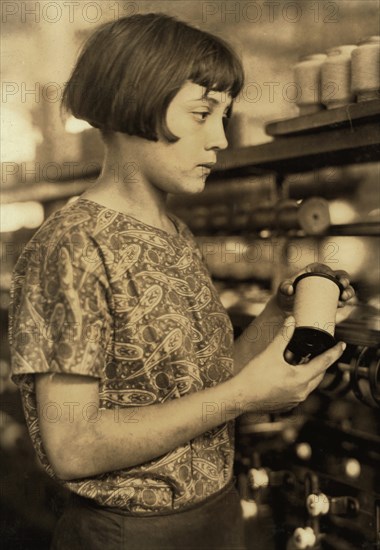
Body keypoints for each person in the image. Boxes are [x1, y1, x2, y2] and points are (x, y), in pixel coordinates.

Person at [8, 13, 355, 550]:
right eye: (201, 113)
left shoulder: (174, 233)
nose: (220, 138)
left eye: (224, 114)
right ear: (133, 107)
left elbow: (207, 389)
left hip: (215, 515)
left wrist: (282, 312)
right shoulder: (72, 247)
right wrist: (242, 396)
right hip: (130, 534)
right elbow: (73, 447)